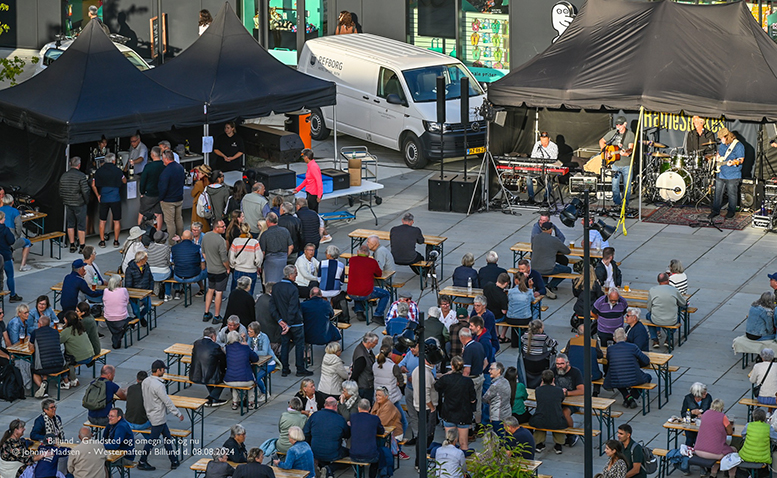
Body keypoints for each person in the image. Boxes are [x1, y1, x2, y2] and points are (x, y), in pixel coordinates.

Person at [138, 360, 183, 471]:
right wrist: (178, 413)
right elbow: (167, 401)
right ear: (158, 370)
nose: (164, 371)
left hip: (151, 413)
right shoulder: (159, 385)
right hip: (158, 416)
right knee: (153, 440)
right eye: (163, 369)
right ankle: (142, 460)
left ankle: (174, 460)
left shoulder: (146, 381)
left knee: (167, 437)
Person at [273, 265, 312, 377]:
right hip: (295, 323)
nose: (296, 275)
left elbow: (273, 306)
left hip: (283, 323)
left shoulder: (276, 287)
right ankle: (300, 368)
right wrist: (289, 323)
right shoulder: (293, 289)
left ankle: (285, 368)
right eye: (295, 273)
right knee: (299, 345)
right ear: (291, 275)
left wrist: (280, 320)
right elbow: (293, 307)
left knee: (285, 345)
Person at [604, 328, 651, 409]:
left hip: (617, 378)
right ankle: (632, 397)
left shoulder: (610, 349)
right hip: (635, 378)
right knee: (648, 377)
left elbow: (609, 361)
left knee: (617, 376)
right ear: (626, 338)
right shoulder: (633, 347)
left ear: (614, 339)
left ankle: (628, 397)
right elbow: (646, 361)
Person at [304, 397, 350, 471]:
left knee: (323, 454)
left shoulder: (314, 416)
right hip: (333, 452)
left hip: (315, 451)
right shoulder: (340, 419)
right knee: (350, 454)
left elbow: (306, 433)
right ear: (335, 406)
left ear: (325, 405)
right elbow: (347, 434)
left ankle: (322, 469)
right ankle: (329, 468)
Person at [695, 399, 738, 477]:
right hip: (713, 453)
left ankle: (713, 474)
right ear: (721, 408)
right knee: (732, 453)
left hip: (698, 450)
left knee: (717, 448)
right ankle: (732, 475)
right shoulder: (722, 417)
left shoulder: (705, 413)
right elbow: (730, 432)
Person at [91, 153, 126, 248]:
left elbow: (93, 185)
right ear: (114, 161)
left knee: (102, 220)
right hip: (115, 198)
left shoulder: (99, 171)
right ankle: (116, 241)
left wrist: (98, 195)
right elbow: (124, 181)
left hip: (104, 198)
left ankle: (102, 241)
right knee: (116, 220)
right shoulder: (118, 171)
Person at [599, 116, 635, 209]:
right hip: (615, 164)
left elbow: (631, 148)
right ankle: (617, 203)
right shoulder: (613, 133)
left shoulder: (630, 134)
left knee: (627, 187)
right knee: (615, 186)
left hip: (627, 164)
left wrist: (626, 152)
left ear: (625, 124)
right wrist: (606, 151)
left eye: (620, 124)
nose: (618, 126)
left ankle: (625, 204)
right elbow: (601, 141)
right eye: (617, 124)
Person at [348, 245, 390, 323]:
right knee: (385, 294)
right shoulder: (372, 262)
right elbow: (379, 274)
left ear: (357, 252)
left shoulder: (352, 260)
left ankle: (359, 310)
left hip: (351, 293)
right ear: (369, 254)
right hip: (365, 293)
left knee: (356, 286)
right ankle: (378, 315)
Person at [709, 127, 744, 219]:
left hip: (733, 174)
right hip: (721, 172)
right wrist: (717, 157)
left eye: (722, 138)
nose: (721, 140)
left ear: (727, 137)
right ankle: (715, 211)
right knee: (718, 193)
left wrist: (733, 162)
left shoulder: (738, 146)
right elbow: (720, 155)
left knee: (732, 194)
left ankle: (731, 211)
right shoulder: (723, 145)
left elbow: (741, 160)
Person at [529, 370, 568, 454]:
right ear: (553, 379)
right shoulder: (559, 390)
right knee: (556, 417)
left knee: (541, 417)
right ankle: (558, 444)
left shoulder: (538, 390)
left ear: (542, 380)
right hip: (556, 421)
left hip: (540, 420)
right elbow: (561, 399)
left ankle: (539, 443)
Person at [551, 353, 584, 446]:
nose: (559, 366)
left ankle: (570, 435)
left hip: (572, 401)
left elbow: (582, 390)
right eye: (557, 364)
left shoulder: (575, 372)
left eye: (562, 364)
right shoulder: (553, 371)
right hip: (556, 400)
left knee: (565, 412)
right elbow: (543, 384)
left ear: (567, 363)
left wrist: (567, 393)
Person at [646, 272, 686, 348]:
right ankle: (668, 339)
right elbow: (683, 303)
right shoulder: (674, 290)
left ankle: (655, 339)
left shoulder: (652, 290)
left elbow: (649, 307)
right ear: (668, 280)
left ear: (658, 280)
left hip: (656, 319)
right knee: (677, 317)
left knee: (648, 316)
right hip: (671, 320)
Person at [190, 327, 228, 407]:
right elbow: (223, 360)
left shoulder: (196, 343)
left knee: (208, 372)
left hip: (196, 374)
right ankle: (212, 398)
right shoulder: (215, 346)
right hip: (208, 374)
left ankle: (212, 397)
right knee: (227, 378)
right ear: (213, 336)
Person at [59, 156, 90, 254]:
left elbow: (60, 190)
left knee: (70, 224)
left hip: (68, 203)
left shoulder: (64, 175)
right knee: (81, 225)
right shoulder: (81, 176)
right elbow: (85, 190)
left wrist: (65, 200)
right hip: (79, 203)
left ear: (70, 164)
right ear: (79, 165)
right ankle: (82, 246)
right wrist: (86, 200)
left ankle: (72, 245)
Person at [202, 219, 230, 324]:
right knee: (219, 292)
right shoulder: (220, 241)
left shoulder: (206, 236)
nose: (224, 228)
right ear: (216, 228)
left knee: (210, 289)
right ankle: (217, 316)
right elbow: (224, 258)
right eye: (222, 226)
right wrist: (227, 267)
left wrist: (209, 261)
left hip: (210, 269)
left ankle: (206, 312)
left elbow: (203, 251)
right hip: (220, 270)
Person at [29, 315, 64, 399]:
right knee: (46, 360)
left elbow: (31, 348)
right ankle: (44, 382)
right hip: (59, 365)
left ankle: (43, 387)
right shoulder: (55, 332)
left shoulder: (35, 333)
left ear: (40, 324)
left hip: (44, 366)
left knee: (34, 369)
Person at [412, 355, 438, 469]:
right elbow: (426, 394)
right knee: (427, 436)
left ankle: (420, 462)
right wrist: (432, 408)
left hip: (419, 406)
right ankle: (421, 463)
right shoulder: (426, 374)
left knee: (423, 435)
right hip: (427, 409)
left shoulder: (418, 370)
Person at [531, 221, 571, 291]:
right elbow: (567, 251)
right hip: (548, 268)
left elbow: (532, 248)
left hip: (534, 267)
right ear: (550, 230)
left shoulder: (535, 238)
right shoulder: (554, 240)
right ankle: (550, 286)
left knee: (543, 266)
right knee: (568, 270)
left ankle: (544, 285)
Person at [223, 331, 259, 411]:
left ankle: (235, 401)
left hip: (229, 380)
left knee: (235, 377)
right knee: (252, 380)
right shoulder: (245, 348)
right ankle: (250, 402)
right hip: (246, 380)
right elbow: (255, 358)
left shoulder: (227, 348)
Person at [350, 399, 385, 478]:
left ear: (358, 408)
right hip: (370, 455)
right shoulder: (375, 419)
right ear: (369, 408)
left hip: (354, 455)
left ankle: (358, 475)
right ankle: (372, 476)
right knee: (380, 455)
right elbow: (381, 431)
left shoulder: (353, 417)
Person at [58, 310, 93, 389]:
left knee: (62, 361)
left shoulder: (67, 331)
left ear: (66, 320)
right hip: (90, 355)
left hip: (80, 358)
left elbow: (57, 341)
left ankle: (66, 381)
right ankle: (72, 379)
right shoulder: (80, 327)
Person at [158, 150, 185, 243]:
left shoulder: (166, 172)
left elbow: (163, 187)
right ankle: (180, 239)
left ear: (165, 159)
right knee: (179, 219)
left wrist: (161, 198)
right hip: (179, 198)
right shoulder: (180, 167)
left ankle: (171, 242)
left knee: (170, 222)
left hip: (168, 200)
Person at [259, 212, 294, 284]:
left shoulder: (265, 234)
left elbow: (263, 252)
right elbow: (291, 246)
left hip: (270, 261)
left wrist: (259, 265)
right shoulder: (285, 231)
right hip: (283, 260)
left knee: (269, 283)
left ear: (268, 221)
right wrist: (285, 256)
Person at [0, 195, 32, 272]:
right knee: (28, 243)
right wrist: (17, 235)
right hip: (10, 237)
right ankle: (23, 265)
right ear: (13, 202)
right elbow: (19, 226)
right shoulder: (15, 211)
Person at [521, 319, 557, 388]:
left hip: (528, 362)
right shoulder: (544, 337)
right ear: (540, 328)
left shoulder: (525, 335)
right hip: (541, 363)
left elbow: (521, 340)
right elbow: (553, 344)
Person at [319, 245, 349, 322]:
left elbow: (319, 278)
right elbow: (342, 281)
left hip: (323, 291)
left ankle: (325, 311)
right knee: (337, 294)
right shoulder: (341, 265)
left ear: (329, 255)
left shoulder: (322, 263)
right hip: (335, 292)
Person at [527, 132, 560, 202]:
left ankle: (546, 197)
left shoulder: (554, 146)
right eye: (542, 141)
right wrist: (536, 164)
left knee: (550, 179)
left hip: (549, 168)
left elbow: (554, 159)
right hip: (538, 167)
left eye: (545, 141)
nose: (543, 143)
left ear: (549, 139)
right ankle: (531, 197)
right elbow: (533, 156)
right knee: (528, 177)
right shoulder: (537, 144)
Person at [138, 146, 164, 230]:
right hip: (160, 194)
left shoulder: (148, 166)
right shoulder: (164, 165)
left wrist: (142, 192)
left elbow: (143, 181)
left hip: (149, 194)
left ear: (152, 155)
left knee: (142, 212)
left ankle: (139, 233)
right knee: (158, 213)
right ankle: (158, 233)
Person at [124, 252, 152, 328]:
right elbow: (128, 285)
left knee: (148, 307)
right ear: (142, 260)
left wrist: (150, 290)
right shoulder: (130, 269)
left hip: (145, 292)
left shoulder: (146, 266)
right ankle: (141, 318)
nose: (147, 260)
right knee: (136, 311)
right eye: (146, 258)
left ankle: (137, 319)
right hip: (135, 294)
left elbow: (151, 279)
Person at [505, 272, 534, 347]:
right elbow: (533, 299)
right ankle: (525, 340)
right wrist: (531, 288)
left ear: (515, 281)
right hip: (525, 318)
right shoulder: (528, 292)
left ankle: (515, 343)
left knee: (514, 318)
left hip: (511, 318)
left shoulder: (510, 292)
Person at [483, 361, 512, 436]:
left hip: (497, 416)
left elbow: (485, 398)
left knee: (499, 437)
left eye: (491, 369)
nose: (489, 371)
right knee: (506, 436)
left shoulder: (495, 386)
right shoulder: (506, 381)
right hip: (507, 414)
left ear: (498, 371)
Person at [352, 332, 379, 401]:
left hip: (365, 383)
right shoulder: (362, 357)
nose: (376, 345)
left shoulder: (363, 349)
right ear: (369, 342)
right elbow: (356, 372)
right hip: (365, 386)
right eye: (375, 343)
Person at [484, 273, 510, 343]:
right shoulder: (503, 296)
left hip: (488, 313)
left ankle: (496, 334)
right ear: (506, 283)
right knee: (509, 316)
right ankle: (502, 336)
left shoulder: (488, 285)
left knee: (494, 313)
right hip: (498, 317)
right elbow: (504, 311)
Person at [0, 212, 20, 302]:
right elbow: (11, 241)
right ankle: (12, 295)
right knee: (10, 276)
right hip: (5, 255)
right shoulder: (5, 230)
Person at [147, 230, 173, 299]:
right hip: (163, 273)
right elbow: (168, 261)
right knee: (170, 270)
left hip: (151, 273)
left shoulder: (150, 246)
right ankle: (167, 294)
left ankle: (156, 290)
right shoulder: (166, 248)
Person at [191, 164, 212, 233]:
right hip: (207, 205)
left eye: (199, 172)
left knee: (198, 223)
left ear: (203, 174)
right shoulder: (210, 182)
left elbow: (192, 194)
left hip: (198, 205)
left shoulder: (199, 183)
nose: (198, 174)